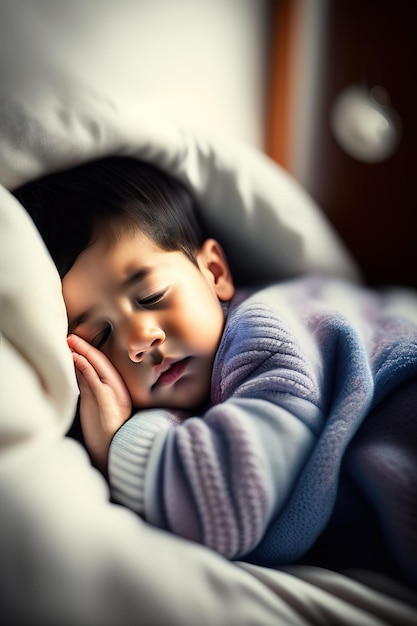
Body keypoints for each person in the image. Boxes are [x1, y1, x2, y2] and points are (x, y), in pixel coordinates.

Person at [15, 156, 417, 591]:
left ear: (215, 273)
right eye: (99, 337)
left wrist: (119, 445)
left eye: (150, 296)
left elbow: (226, 502)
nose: (139, 340)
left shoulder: (265, 333)